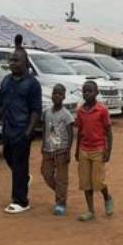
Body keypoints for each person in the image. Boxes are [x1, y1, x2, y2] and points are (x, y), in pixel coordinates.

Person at [0, 47, 42, 214]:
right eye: (11, 60)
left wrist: (28, 132)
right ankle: (24, 179)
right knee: (8, 157)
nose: (12, 63)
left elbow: (36, 110)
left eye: (16, 60)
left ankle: (20, 200)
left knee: (20, 164)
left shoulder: (32, 84)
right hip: (8, 129)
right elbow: (0, 105)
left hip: (22, 130)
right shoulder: (6, 81)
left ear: (26, 63)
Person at [73, 80, 115, 222]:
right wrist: (77, 150)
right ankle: (90, 210)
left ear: (96, 93)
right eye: (84, 91)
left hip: (98, 149)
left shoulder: (102, 110)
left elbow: (108, 132)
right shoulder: (80, 111)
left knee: (98, 181)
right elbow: (79, 132)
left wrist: (108, 150)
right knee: (86, 182)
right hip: (84, 149)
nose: (86, 94)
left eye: (89, 91)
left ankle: (107, 197)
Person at [40, 83, 74, 216]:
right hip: (48, 149)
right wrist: (43, 145)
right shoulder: (47, 112)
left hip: (62, 150)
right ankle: (61, 192)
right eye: (55, 93)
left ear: (64, 96)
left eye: (60, 94)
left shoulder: (66, 114)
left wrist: (68, 151)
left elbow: (71, 133)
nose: (57, 96)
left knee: (62, 178)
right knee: (46, 173)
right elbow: (44, 130)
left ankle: (61, 203)